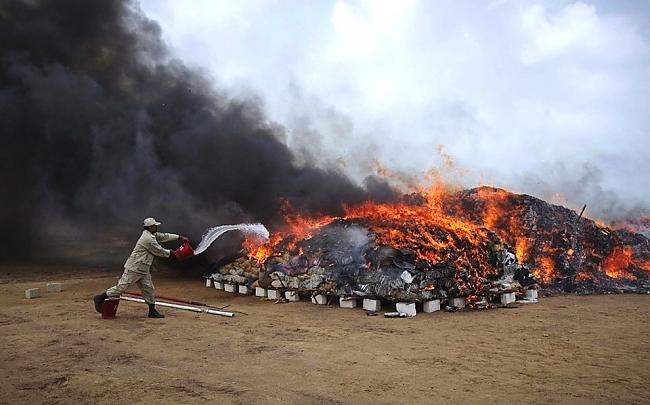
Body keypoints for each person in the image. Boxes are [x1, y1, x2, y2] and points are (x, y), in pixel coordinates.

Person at [93, 217, 188, 318]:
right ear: (150, 227)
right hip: (134, 267)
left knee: (149, 289)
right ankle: (100, 297)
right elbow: (158, 250)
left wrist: (179, 237)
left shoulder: (152, 235)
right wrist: (173, 253)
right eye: (155, 226)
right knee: (121, 287)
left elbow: (164, 236)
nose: (156, 227)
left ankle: (152, 311)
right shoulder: (148, 239)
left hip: (143, 268)